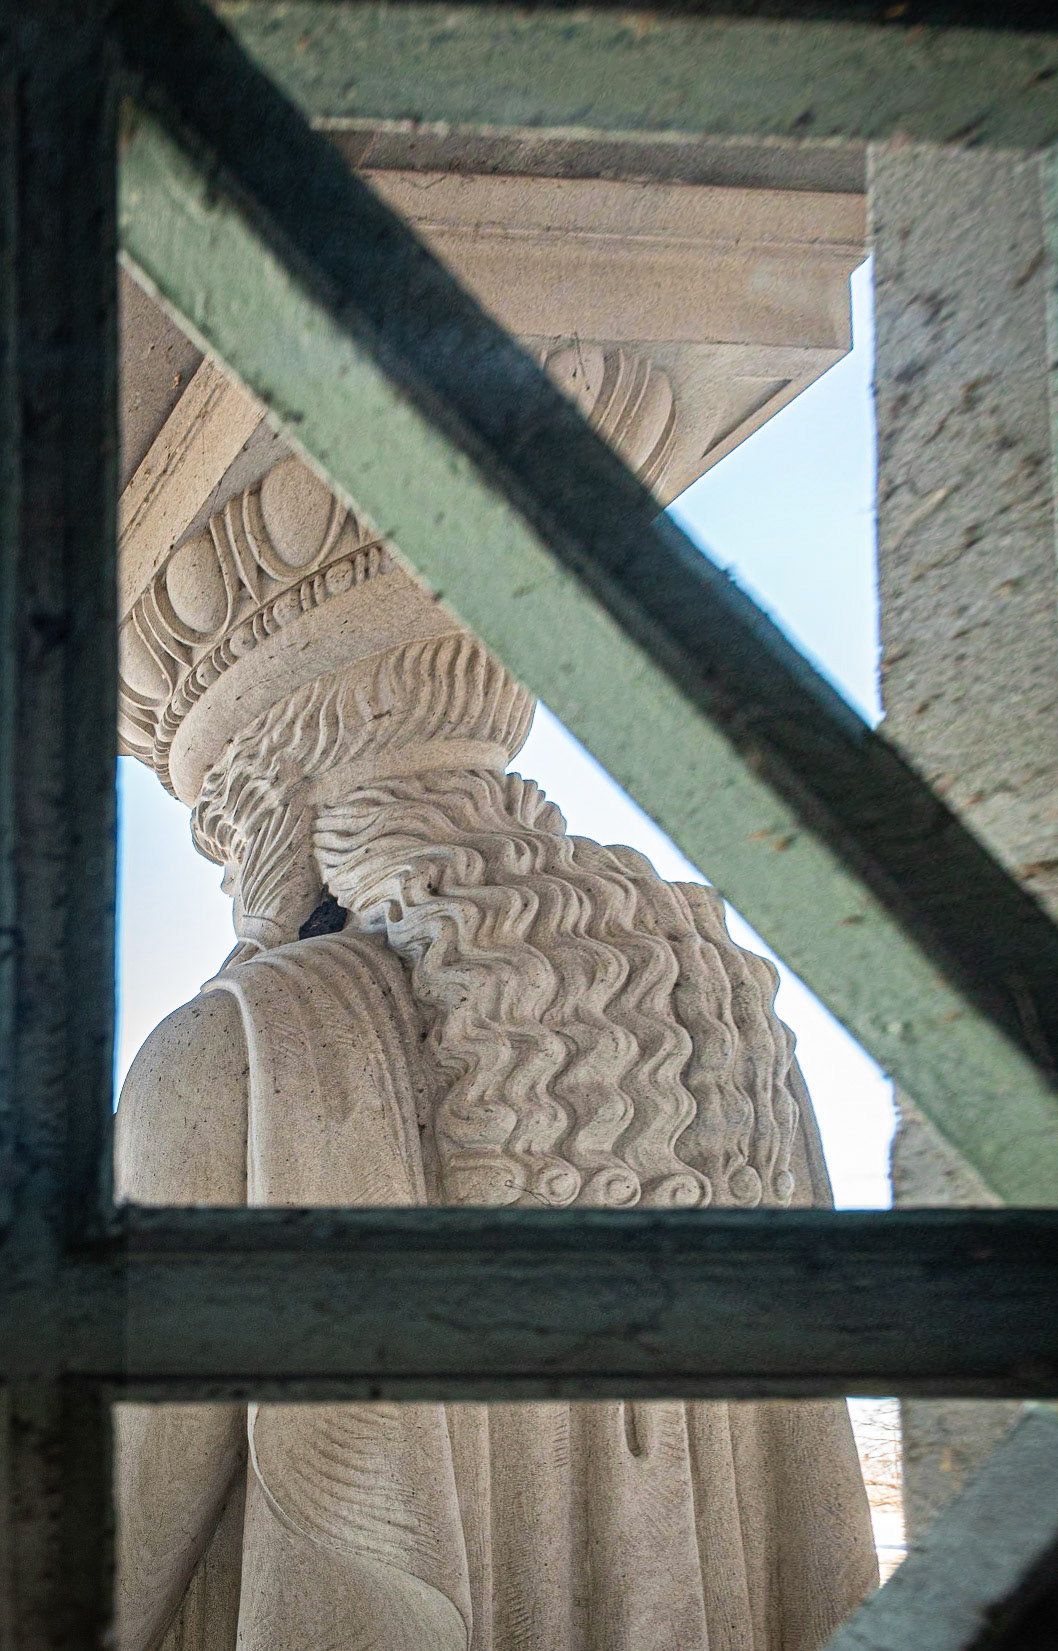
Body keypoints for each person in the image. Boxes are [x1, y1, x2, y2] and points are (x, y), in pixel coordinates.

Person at [115, 462, 876, 1651]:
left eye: (228, 836)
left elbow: (112, 1528)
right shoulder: (724, 1043)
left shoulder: (244, 1048)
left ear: (279, 824)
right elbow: (820, 1511)